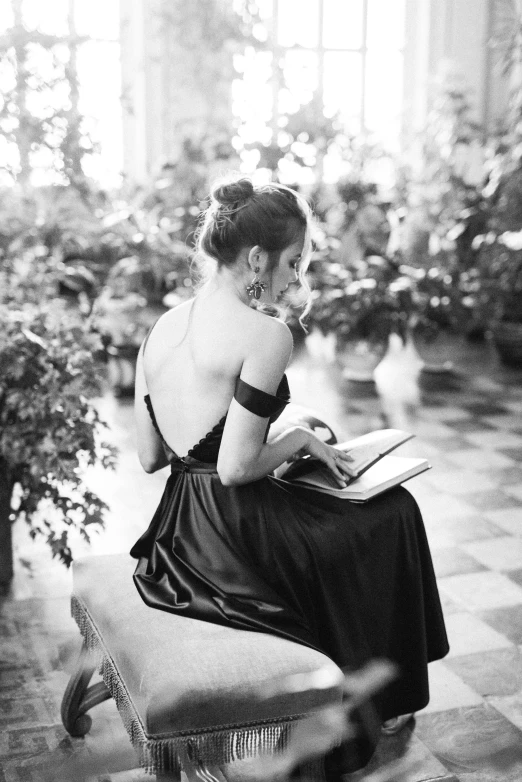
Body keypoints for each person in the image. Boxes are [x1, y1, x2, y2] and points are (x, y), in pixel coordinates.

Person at [130, 176, 449, 778]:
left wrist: (277, 437)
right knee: (391, 514)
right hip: (235, 537)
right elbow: (233, 468)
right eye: (293, 261)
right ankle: (382, 704)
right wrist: (300, 438)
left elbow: (150, 457)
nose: (294, 278)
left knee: (363, 519)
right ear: (256, 257)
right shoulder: (266, 334)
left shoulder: (162, 328)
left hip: (177, 538)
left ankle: (373, 697)